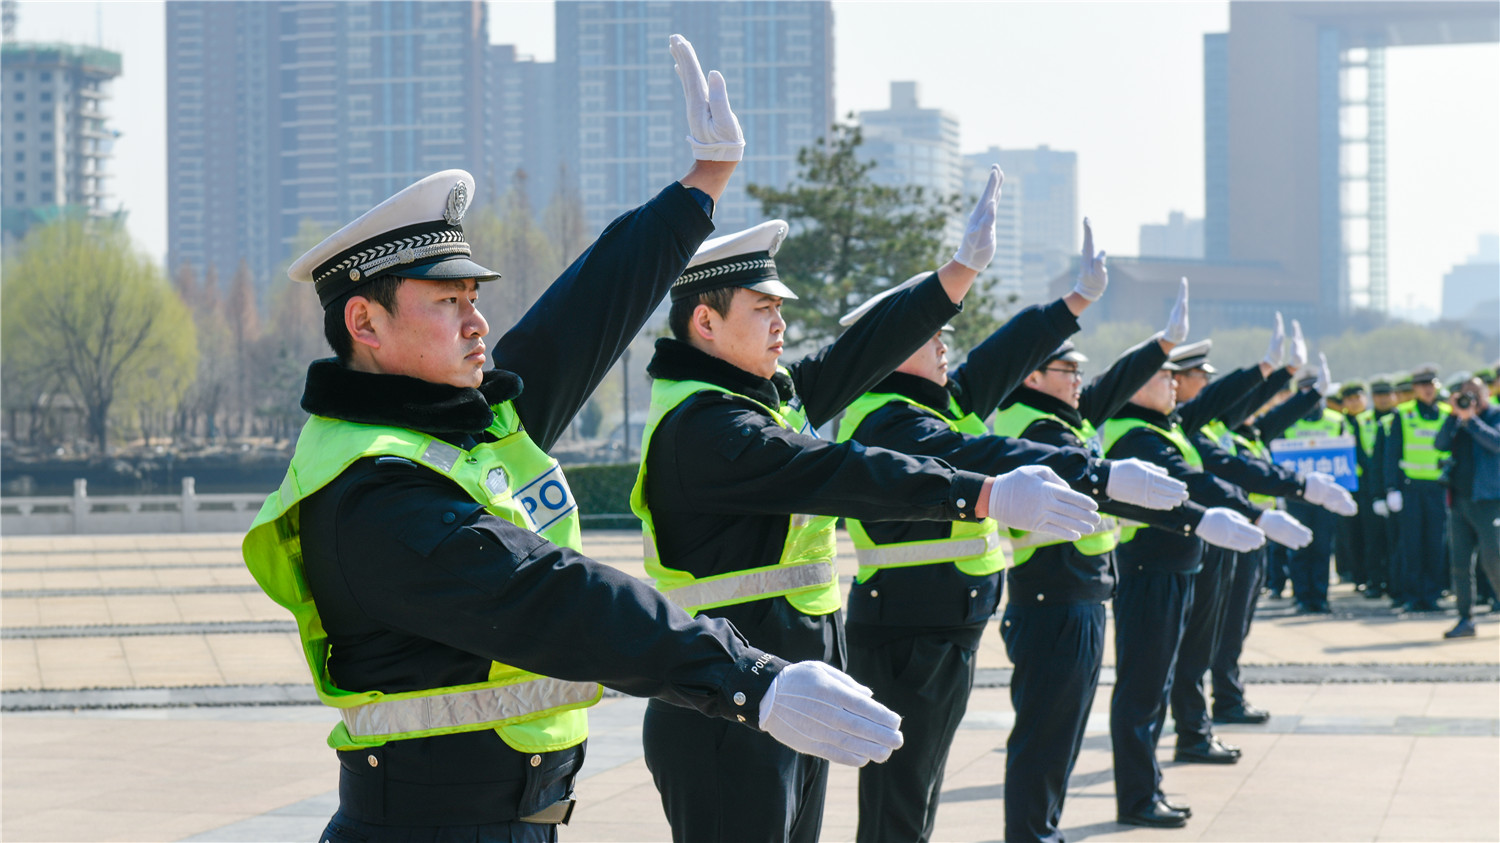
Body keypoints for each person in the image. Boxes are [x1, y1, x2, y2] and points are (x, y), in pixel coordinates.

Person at [240, 37, 904, 842]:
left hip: (516, 818)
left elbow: (584, 310)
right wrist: (747, 679)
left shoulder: (465, 424)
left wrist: (700, 188)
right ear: (365, 321)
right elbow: (549, 591)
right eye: (447, 301)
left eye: (474, 296)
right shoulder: (369, 489)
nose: (478, 319)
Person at [630, 168, 1104, 843]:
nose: (780, 325)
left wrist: (956, 276)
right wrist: (981, 493)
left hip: (786, 693)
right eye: (762, 310)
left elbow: (859, 352)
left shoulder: (762, 398)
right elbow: (835, 470)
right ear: (705, 321)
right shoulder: (708, 427)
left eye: (780, 309)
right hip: (724, 709)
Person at [836, 241, 1202, 843]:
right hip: (909, 627)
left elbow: (999, 359)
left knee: (913, 788)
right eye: (931, 337)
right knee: (899, 795)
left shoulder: (928, 405)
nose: (945, 346)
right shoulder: (889, 419)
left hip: (935, 621)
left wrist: (1071, 305)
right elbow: (984, 452)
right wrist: (1099, 475)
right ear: (897, 348)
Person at [985, 283, 1265, 843]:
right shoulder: (1034, 426)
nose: (1077, 381)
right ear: (1034, 377)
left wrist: (1160, 346)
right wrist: (1196, 517)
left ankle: (1052, 826)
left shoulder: (1060, 419)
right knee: (1052, 728)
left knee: (1066, 727)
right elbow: (1103, 470)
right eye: (1066, 370)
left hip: (1080, 590)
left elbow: (1111, 388)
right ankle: (1045, 828)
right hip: (1053, 593)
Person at [1100, 349, 1312, 829]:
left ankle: (1148, 786)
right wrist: (1256, 512)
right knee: (1143, 688)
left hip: (1173, 564)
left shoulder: (1166, 425)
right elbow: (1191, 481)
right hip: (1149, 569)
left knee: (1160, 681)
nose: (1173, 384)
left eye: (1179, 376)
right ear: (1133, 384)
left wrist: (1267, 373)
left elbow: (1217, 407)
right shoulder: (1134, 433)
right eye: (1163, 376)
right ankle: (1136, 796)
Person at [1174, 339, 1353, 751]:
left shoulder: (1232, 429)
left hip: (1248, 533)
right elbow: (1231, 468)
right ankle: (1209, 710)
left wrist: (1304, 390)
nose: (1206, 385)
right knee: (1214, 629)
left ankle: (1225, 696)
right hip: (1222, 533)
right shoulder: (1207, 431)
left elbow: (1268, 418)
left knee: (1235, 623)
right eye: (1199, 378)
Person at [1383, 365, 1454, 613]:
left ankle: (1432, 594)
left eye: (1431, 384)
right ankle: (1412, 595)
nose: (1427, 389)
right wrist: (1391, 488)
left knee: (1435, 544)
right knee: (1412, 544)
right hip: (1411, 489)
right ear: (1415, 389)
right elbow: (1392, 453)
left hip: (1437, 488)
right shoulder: (1403, 414)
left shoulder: (1447, 413)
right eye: (1423, 385)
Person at [1435, 377, 1500, 638]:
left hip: (1489, 502)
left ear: (1485, 395)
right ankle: (1465, 619)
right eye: (1465, 394)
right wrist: (1453, 417)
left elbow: (1496, 443)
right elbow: (1438, 444)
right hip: (1460, 501)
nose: (1469, 398)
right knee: (1460, 564)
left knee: (1493, 560)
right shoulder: (1457, 420)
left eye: (1475, 394)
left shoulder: (1494, 415)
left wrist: (1471, 420)